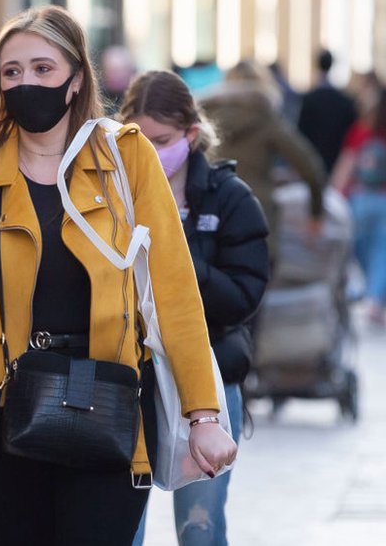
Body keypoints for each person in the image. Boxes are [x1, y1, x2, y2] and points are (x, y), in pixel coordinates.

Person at [0, 6, 237, 545]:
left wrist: (203, 413)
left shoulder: (126, 160)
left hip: (105, 404)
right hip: (0, 413)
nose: (25, 83)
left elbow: (175, 292)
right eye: (11, 72)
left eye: (42, 69)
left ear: (76, 78)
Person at [121, 70, 270, 546]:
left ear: (190, 133)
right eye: (139, 139)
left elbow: (243, 299)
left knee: (200, 528)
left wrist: (180, 261)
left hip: (211, 374)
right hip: (129, 380)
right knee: (122, 526)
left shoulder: (229, 199)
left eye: (160, 140)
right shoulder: (111, 199)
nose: (150, 151)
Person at [201, 60, 326, 266]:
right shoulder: (267, 119)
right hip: (257, 219)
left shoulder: (205, 119)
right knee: (256, 291)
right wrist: (315, 214)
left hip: (212, 219)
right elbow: (311, 167)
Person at [330, 88, 386, 325]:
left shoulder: (360, 130)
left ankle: (370, 293)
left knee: (359, 248)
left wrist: (333, 194)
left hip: (360, 197)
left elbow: (347, 164)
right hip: (383, 199)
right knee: (382, 252)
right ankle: (374, 298)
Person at [297, 50, 358, 174]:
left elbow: (301, 131)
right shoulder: (344, 101)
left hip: (314, 159)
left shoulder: (309, 99)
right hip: (336, 159)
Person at [99, 45, 137, 116]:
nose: (115, 75)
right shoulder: (98, 97)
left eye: (119, 70)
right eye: (110, 70)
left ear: (129, 71)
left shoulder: (137, 98)